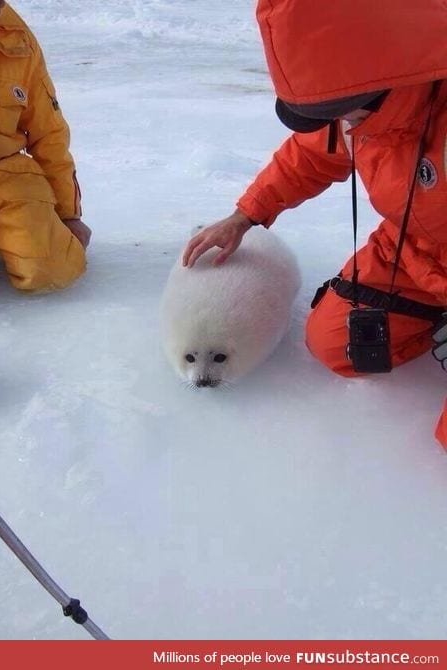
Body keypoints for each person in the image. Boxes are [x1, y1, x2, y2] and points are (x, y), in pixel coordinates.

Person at [182, 0, 447, 449]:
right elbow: (308, 154)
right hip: (411, 249)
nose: (337, 124)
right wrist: (245, 215)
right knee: (337, 344)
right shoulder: (355, 109)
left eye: (341, 109)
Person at [0, 0, 91, 294]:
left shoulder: (16, 35)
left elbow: (48, 131)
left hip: (5, 178)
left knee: (54, 269)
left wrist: (68, 214)